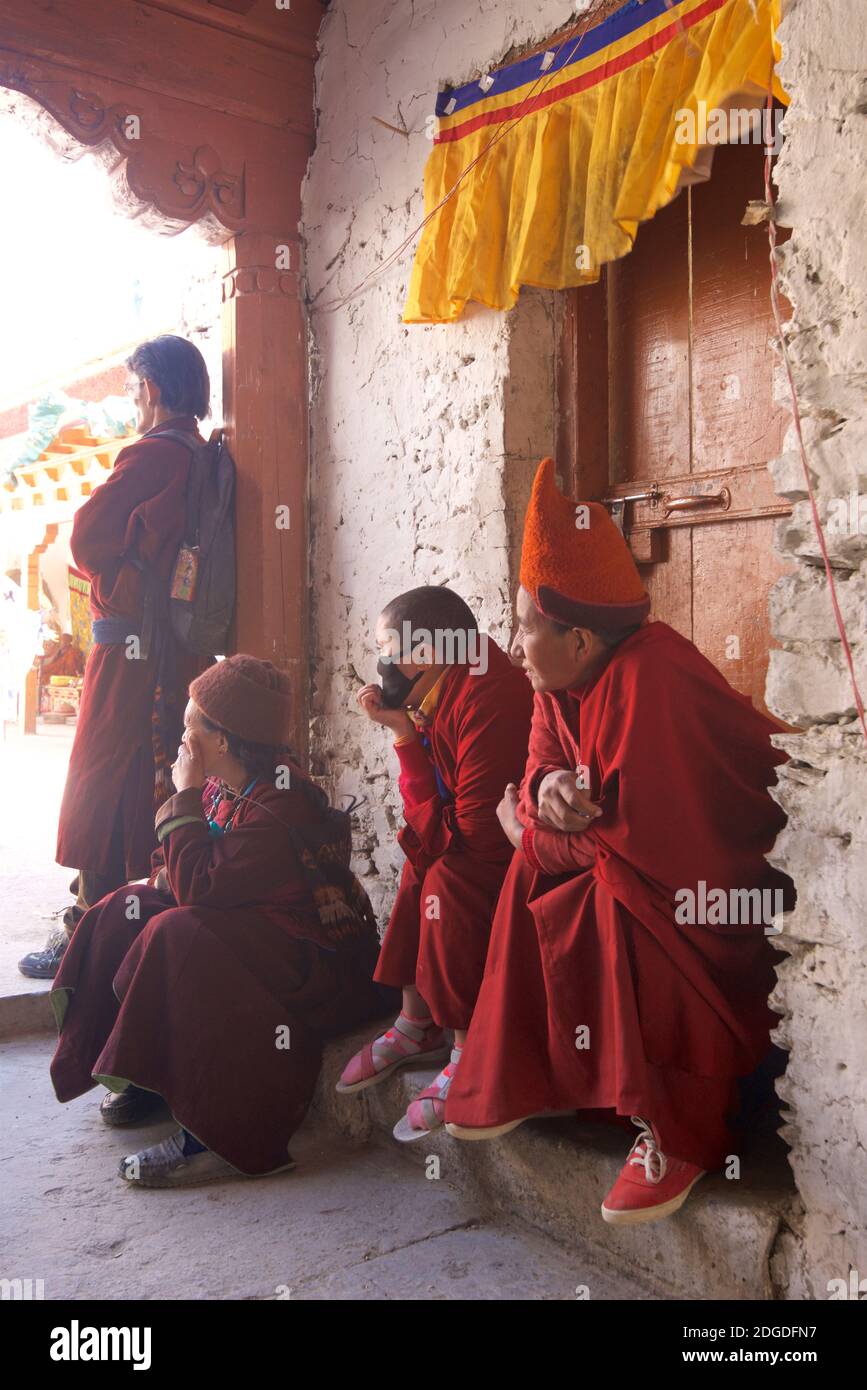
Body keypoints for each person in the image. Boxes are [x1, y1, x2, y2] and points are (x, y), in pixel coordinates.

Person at [442, 458, 793, 1225]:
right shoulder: (558, 684)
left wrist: (529, 834)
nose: (511, 642)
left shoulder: (651, 677)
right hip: (637, 863)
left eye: (524, 625)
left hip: (720, 893)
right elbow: (537, 768)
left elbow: (639, 854)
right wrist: (543, 795)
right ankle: (552, 1079)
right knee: (538, 881)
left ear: (577, 636)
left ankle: (683, 1132)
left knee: (613, 902)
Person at [49, 655, 395, 1187]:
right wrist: (161, 872)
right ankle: (146, 1074)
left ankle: (209, 1136)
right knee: (124, 910)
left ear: (226, 740)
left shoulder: (280, 806)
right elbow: (178, 872)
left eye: (192, 724)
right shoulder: (225, 784)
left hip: (308, 970)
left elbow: (202, 891)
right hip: (251, 935)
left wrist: (183, 796)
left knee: (175, 934)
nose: (183, 737)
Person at [19, 335, 213, 979]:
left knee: (98, 782)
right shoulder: (201, 455)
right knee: (151, 774)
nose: (133, 404)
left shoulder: (152, 453)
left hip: (129, 646)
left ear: (153, 391)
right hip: (174, 647)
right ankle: (130, 916)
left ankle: (88, 927)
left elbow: (85, 539)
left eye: (134, 391)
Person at [336, 585, 533, 1141]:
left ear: (426, 652)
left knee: (445, 878)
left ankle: (468, 1045)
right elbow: (442, 815)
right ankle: (416, 1023)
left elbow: (478, 834)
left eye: (387, 649)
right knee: (420, 864)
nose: (382, 664)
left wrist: (407, 742)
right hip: (481, 837)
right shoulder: (442, 686)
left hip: (514, 849)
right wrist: (404, 730)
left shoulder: (487, 696)